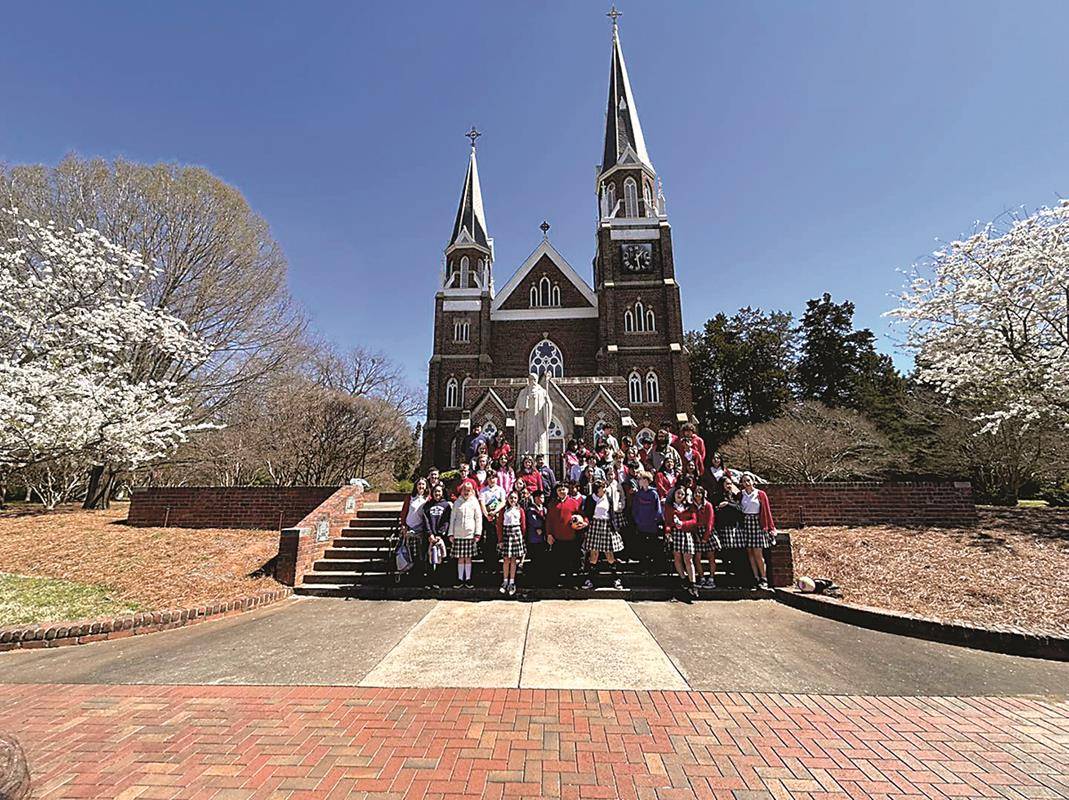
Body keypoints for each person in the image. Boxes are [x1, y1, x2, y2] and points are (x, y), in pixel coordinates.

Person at [580, 479, 625, 590]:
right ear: (597, 489)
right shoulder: (591, 498)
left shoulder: (608, 498)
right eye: (602, 487)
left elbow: (612, 514)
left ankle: (616, 579)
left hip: (606, 525)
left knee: (609, 554)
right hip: (594, 525)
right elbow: (587, 513)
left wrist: (614, 528)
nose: (604, 489)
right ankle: (590, 579)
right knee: (594, 554)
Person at [738, 472, 777, 590]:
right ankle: (755, 577)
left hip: (757, 523)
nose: (746, 483)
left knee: (758, 553)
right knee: (750, 552)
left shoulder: (760, 494)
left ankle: (763, 578)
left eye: (748, 480)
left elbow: (767, 511)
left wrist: (771, 527)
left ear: (753, 481)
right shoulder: (741, 494)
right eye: (744, 481)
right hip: (746, 522)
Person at [664, 484, 699, 597]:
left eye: (682, 494)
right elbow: (668, 522)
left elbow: (694, 521)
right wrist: (668, 532)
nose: (680, 495)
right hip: (676, 534)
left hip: (686, 533)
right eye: (678, 493)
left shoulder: (689, 506)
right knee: (677, 557)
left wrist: (682, 524)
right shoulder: (670, 507)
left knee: (688, 559)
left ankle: (693, 583)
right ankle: (683, 579)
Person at [546, 482, 583, 586]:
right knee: (558, 560)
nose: (562, 492)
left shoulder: (574, 503)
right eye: (559, 490)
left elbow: (582, 516)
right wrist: (549, 534)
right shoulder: (552, 504)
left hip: (571, 537)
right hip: (557, 537)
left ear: (567, 490)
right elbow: (549, 520)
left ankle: (570, 582)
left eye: (563, 489)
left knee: (570, 560)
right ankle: (557, 582)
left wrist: (584, 523)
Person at [448, 481, 483, 587]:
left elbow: (478, 518)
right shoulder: (457, 502)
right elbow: (452, 518)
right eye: (464, 490)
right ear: (461, 491)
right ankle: (460, 579)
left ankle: (468, 579)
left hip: (470, 535)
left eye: (468, 490)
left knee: (468, 558)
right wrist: (451, 533)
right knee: (460, 558)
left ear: (472, 491)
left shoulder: (474, 502)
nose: (466, 492)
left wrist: (477, 533)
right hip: (458, 534)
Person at [631, 471, 663, 574]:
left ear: (646, 480)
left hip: (651, 526)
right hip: (641, 526)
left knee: (652, 547)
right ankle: (643, 567)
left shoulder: (654, 494)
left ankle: (653, 569)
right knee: (642, 548)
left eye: (640, 479)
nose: (639, 481)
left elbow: (658, 510)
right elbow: (635, 509)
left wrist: (654, 520)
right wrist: (637, 520)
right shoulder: (638, 494)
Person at [399, 478, 430, 583]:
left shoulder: (428, 498)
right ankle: (410, 576)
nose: (421, 486)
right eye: (419, 484)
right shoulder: (410, 498)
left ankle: (420, 577)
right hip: (410, 528)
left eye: (423, 484)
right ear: (416, 486)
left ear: (426, 486)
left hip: (422, 530)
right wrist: (403, 525)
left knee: (421, 554)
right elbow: (404, 512)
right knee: (410, 553)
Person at [421, 482, 452, 588]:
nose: (437, 493)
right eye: (435, 491)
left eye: (439, 491)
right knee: (429, 559)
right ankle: (429, 581)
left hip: (441, 537)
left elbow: (447, 521)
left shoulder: (446, 505)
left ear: (442, 492)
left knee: (440, 558)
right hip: (429, 536)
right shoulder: (427, 505)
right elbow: (425, 521)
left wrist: (440, 534)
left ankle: (438, 581)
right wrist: (430, 534)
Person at [496, 490, 526, 595]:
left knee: (513, 559)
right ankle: (505, 581)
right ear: (508, 499)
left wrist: (522, 537)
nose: (513, 500)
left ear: (518, 499)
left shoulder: (520, 510)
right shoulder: (503, 510)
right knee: (506, 559)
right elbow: (499, 525)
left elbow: (523, 525)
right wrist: (500, 540)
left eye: (515, 498)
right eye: (511, 498)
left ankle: (512, 582)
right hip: (506, 534)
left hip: (516, 535)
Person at [693, 485, 720, 588]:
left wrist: (705, 537)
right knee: (697, 557)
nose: (697, 495)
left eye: (699, 493)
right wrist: (696, 535)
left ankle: (711, 578)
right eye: (696, 493)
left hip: (708, 532)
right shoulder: (692, 506)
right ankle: (702, 578)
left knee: (711, 556)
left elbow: (710, 522)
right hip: (697, 532)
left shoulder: (708, 505)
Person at [525, 489, 549, 585]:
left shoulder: (545, 509)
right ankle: (534, 580)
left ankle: (542, 578)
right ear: (534, 498)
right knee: (535, 558)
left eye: (542, 497)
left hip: (543, 538)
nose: (541, 499)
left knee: (542, 558)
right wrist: (542, 527)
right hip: (534, 538)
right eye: (539, 497)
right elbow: (535, 522)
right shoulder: (531, 510)